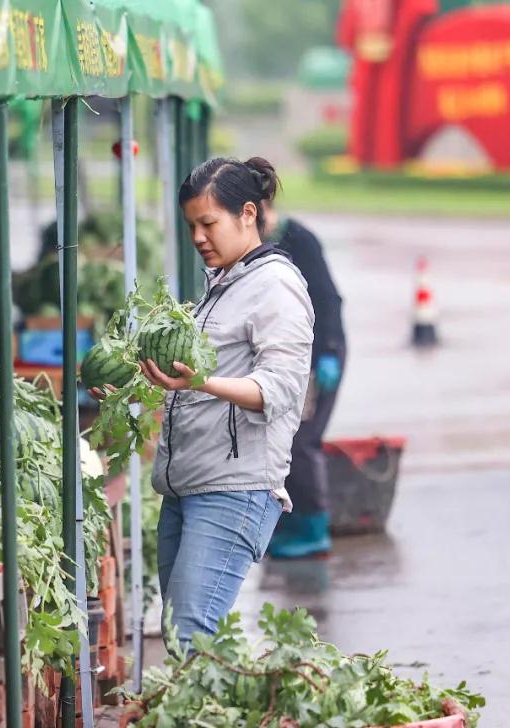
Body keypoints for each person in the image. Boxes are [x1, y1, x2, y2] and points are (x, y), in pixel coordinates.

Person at [92, 157, 314, 647]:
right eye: (191, 225)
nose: (198, 236)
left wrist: (203, 382)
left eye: (208, 223)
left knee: (191, 635)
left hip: (235, 492)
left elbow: (278, 391)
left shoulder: (275, 287)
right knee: (180, 636)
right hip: (188, 488)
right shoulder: (222, 285)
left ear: (248, 214)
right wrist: (134, 388)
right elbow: (192, 387)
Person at [263, 202, 346, 559]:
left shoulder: (300, 240)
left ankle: (314, 529)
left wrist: (328, 352)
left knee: (303, 440)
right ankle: (288, 526)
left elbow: (329, 299)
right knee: (284, 440)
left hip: (320, 355)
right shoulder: (259, 246)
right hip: (293, 357)